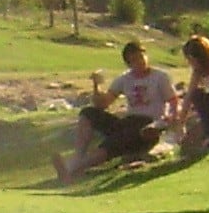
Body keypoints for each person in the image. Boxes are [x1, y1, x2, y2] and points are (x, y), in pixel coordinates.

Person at [58, 40, 176, 180]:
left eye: (141, 57)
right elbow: (103, 103)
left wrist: (166, 121)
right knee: (88, 113)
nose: (139, 62)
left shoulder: (160, 77)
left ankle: (73, 169)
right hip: (128, 121)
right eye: (134, 60)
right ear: (128, 64)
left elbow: (173, 101)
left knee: (113, 143)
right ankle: (78, 158)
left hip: (148, 125)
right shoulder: (124, 79)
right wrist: (96, 86)